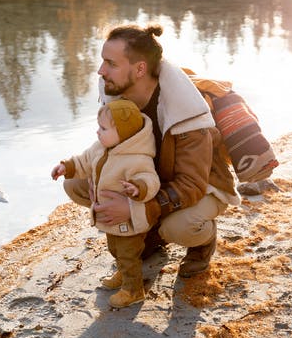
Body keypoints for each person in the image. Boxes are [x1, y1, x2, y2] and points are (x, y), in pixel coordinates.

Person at [63, 24, 240, 279]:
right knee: (76, 184)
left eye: (111, 63)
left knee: (180, 227)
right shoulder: (116, 98)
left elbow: (191, 184)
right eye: (103, 61)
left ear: (140, 69)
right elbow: (107, 150)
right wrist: (96, 178)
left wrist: (136, 210)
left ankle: (203, 242)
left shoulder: (186, 110)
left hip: (201, 186)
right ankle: (149, 234)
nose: (101, 71)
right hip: (146, 180)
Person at [52, 98, 160, 308]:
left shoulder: (137, 157)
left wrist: (138, 188)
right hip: (110, 219)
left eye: (103, 128)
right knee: (114, 248)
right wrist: (67, 167)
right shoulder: (100, 147)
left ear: (123, 133)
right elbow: (83, 161)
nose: (97, 132)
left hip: (128, 221)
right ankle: (122, 273)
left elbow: (151, 179)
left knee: (129, 254)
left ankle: (133, 290)